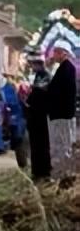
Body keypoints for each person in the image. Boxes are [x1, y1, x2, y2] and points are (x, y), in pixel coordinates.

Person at [47, 40, 77, 182]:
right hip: (60, 113)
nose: (53, 55)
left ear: (62, 53)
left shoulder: (67, 69)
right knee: (60, 145)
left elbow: (57, 91)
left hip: (62, 114)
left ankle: (63, 175)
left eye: (55, 52)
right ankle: (61, 174)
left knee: (62, 146)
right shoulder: (64, 69)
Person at [25, 52, 52, 180]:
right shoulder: (39, 76)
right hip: (35, 116)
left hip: (40, 116)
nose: (31, 67)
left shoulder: (45, 76)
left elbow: (38, 93)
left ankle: (43, 171)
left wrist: (28, 98)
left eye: (32, 64)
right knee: (36, 145)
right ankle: (37, 171)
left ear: (38, 64)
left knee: (41, 144)